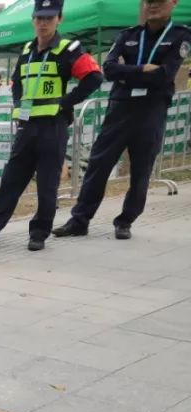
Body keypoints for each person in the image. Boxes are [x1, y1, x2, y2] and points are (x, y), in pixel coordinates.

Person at [0, 0, 103, 252]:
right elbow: (16, 82)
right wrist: (17, 107)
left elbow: (94, 77)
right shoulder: (27, 49)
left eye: (49, 18)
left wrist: (66, 103)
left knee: (47, 184)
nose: (43, 23)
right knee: (11, 181)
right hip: (27, 127)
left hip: (52, 127)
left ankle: (39, 233)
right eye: (39, 18)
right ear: (33, 20)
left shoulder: (69, 49)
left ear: (59, 18)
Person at [54, 0, 191, 241]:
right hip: (120, 109)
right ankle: (79, 220)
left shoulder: (181, 36)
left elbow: (165, 74)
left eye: (159, 1)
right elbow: (109, 68)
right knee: (98, 165)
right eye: (149, 1)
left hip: (151, 110)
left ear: (173, 3)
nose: (153, 6)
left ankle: (125, 221)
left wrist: (128, 72)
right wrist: (144, 70)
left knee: (141, 170)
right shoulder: (128, 35)